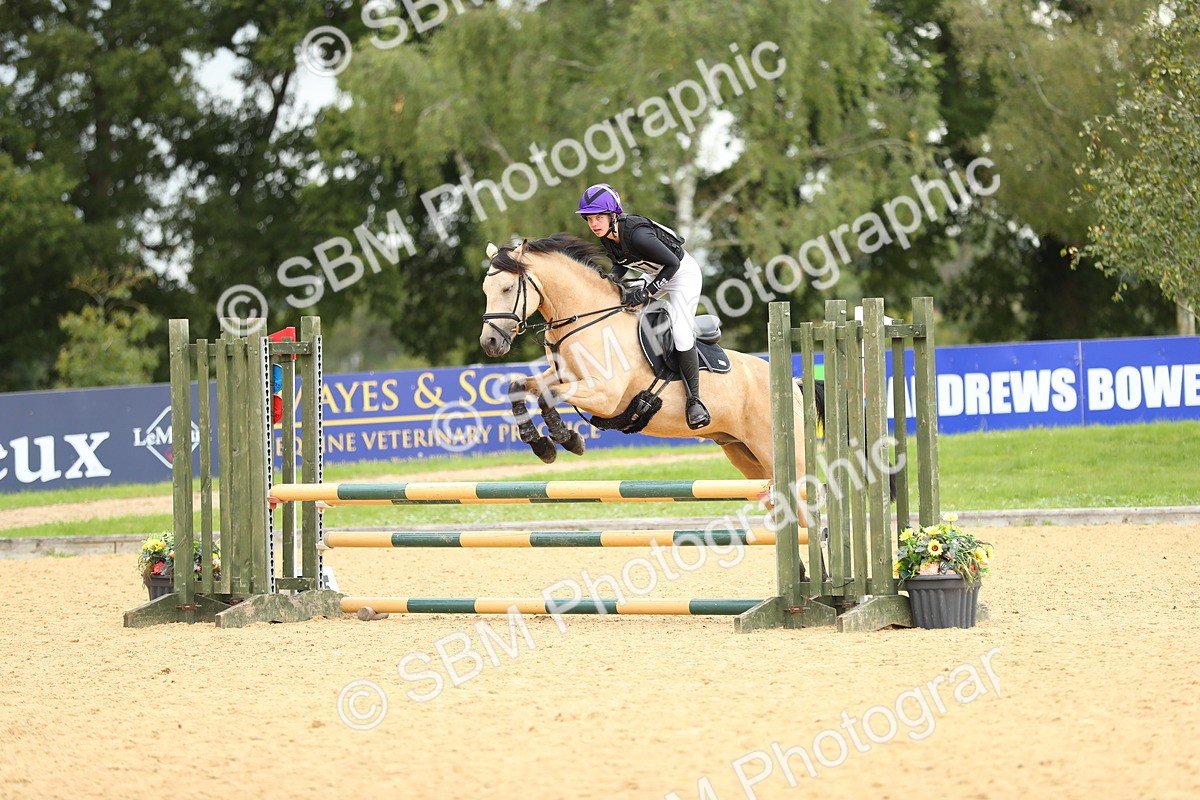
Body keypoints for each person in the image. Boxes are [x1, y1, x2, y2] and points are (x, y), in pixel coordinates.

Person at [576, 182, 711, 429]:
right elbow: (621, 263)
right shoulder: (608, 235)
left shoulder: (637, 233)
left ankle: (695, 402)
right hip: (655, 273)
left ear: (613, 215)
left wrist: (648, 292)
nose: (594, 224)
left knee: (681, 331)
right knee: (620, 310)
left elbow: (672, 264)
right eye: (589, 219)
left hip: (682, 275)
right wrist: (610, 281)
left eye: (599, 217)